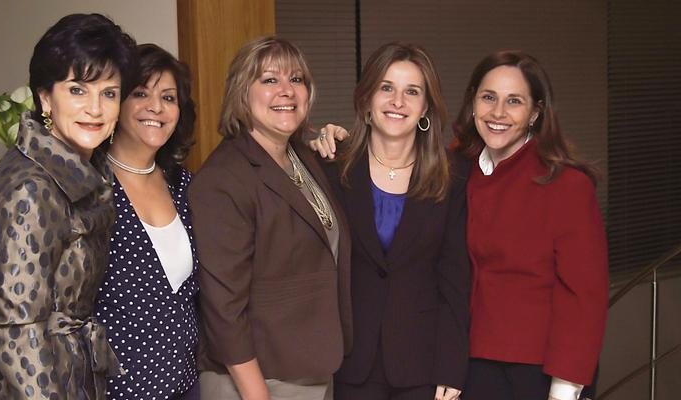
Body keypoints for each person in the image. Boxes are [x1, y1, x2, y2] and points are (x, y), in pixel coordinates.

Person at [0, 13, 137, 399]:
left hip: (70, 372)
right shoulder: (32, 188)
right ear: (45, 98)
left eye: (108, 93)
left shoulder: (80, 169)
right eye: (77, 89)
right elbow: (18, 331)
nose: (96, 108)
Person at [189, 36, 352, 400]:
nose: (286, 91)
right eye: (269, 80)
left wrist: (340, 142)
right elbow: (223, 308)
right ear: (241, 93)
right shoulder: (223, 178)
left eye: (296, 80)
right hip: (258, 380)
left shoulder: (302, 157)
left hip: (309, 368)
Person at [308, 42, 470, 400]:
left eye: (412, 91)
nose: (398, 102)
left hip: (423, 365)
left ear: (426, 106)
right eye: (386, 88)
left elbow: (456, 278)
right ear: (367, 98)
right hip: (351, 362)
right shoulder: (330, 167)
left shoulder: (453, 176)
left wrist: (452, 366)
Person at [452, 51, 609, 400]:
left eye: (515, 101)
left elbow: (585, 296)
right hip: (468, 366)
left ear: (535, 112)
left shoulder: (567, 184)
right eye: (488, 97)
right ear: (473, 100)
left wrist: (565, 390)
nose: (498, 113)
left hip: (539, 372)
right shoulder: (456, 169)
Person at [93, 43, 200, 400]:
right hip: (114, 387)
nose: (156, 107)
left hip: (185, 380)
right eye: (141, 93)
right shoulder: (88, 185)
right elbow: (41, 265)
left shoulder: (185, 184)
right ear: (117, 102)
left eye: (168, 97)